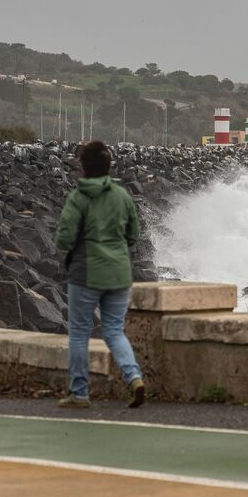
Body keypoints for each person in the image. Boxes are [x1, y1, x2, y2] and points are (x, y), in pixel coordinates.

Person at [53, 140, 146, 409]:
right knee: (114, 331)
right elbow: (134, 235)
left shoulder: (79, 197)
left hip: (86, 273)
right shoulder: (122, 195)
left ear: (83, 167)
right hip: (119, 273)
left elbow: (64, 238)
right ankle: (134, 377)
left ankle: (79, 394)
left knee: (80, 334)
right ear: (108, 166)